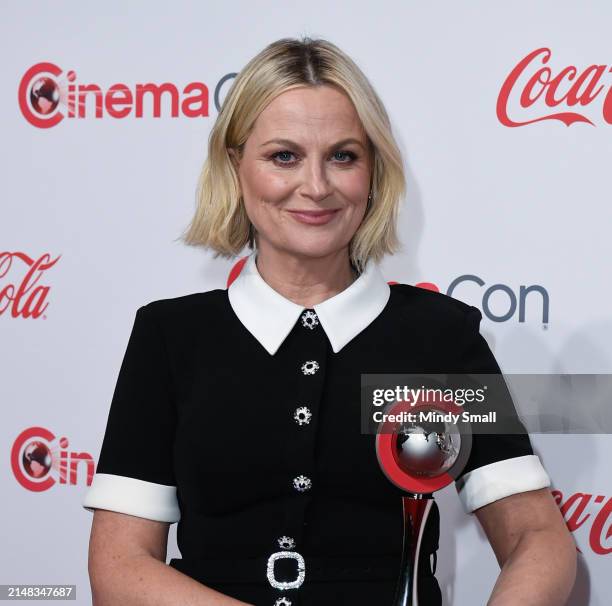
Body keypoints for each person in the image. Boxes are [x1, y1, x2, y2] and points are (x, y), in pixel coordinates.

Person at [82, 37, 576, 606]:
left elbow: (538, 538)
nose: (316, 187)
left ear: (373, 170)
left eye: (343, 155)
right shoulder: (171, 338)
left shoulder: (438, 338)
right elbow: (118, 567)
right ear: (234, 165)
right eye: (283, 156)